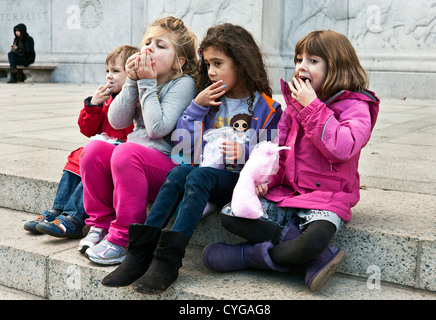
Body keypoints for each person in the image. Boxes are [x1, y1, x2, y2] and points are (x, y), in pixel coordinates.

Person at [101, 23, 283, 294]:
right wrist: (196, 109)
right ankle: (139, 254)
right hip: (204, 175)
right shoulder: (209, 100)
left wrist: (246, 154)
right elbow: (181, 148)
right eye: (208, 64)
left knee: (196, 175)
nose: (210, 72)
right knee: (177, 174)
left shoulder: (267, 107)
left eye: (218, 63)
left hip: (235, 182)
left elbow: (272, 156)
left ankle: (168, 260)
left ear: (242, 63)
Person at [202, 30, 380, 292]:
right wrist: (268, 179)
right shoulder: (294, 107)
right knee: (231, 215)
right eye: (298, 60)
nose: (301, 67)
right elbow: (281, 154)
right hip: (288, 193)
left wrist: (313, 107)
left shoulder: (356, 106)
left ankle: (248, 257)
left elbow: (343, 147)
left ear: (338, 65)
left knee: (312, 241)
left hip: (327, 198)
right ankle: (316, 258)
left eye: (312, 61)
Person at [79, 16, 199, 265]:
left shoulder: (183, 83)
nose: (149, 49)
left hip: (168, 167)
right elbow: (117, 121)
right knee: (93, 150)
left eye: (160, 45)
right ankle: (100, 225)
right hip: (134, 161)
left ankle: (124, 237)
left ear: (179, 62)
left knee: (126, 152)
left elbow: (157, 129)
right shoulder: (141, 80)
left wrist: (145, 82)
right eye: (147, 42)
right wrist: (132, 81)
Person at [23, 45, 138, 239]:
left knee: (95, 165)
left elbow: (132, 133)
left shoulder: (136, 101)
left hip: (120, 155)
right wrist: (93, 106)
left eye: (116, 71)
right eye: (107, 71)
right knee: (77, 158)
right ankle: (57, 211)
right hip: (101, 147)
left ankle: (74, 218)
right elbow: (87, 130)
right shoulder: (107, 100)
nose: (109, 76)